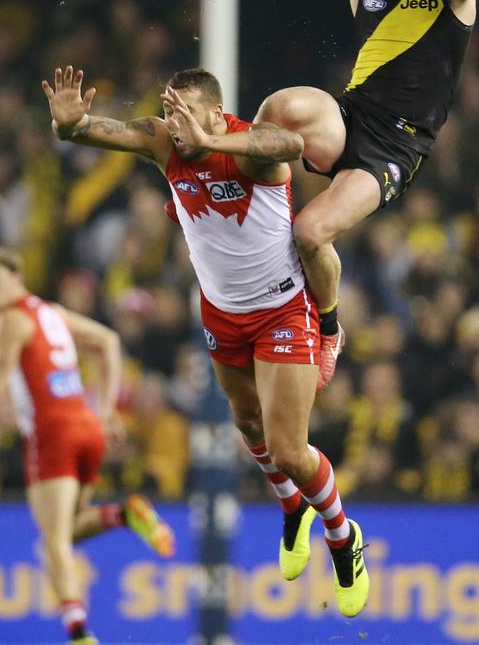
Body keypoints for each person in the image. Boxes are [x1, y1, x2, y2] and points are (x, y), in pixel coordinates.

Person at [42, 64, 370, 617]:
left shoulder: (246, 147)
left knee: (290, 449)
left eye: (187, 114)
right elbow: (90, 131)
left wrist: (210, 137)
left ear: (217, 114)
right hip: (221, 315)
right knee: (246, 425)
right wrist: (67, 125)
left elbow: (290, 142)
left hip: (282, 312)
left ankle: (342, 538)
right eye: (171, 113)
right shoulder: (161, 141)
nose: (176, 126)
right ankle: (294, 509)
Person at [252, 0, 479, 352]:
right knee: (284, 104)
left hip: (397, 144)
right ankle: (242, 197)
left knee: (310, 234)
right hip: (350, 116)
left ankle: (329, 328)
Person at [0, 245, 175, 645]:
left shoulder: (12, 321)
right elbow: (107, 340)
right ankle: (124, 513)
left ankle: (78, 631)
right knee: (67, 531)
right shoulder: (51, 311)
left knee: (51, 542)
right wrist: (104, 410)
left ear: (18, 279)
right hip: (86, 426)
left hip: (51, 433)